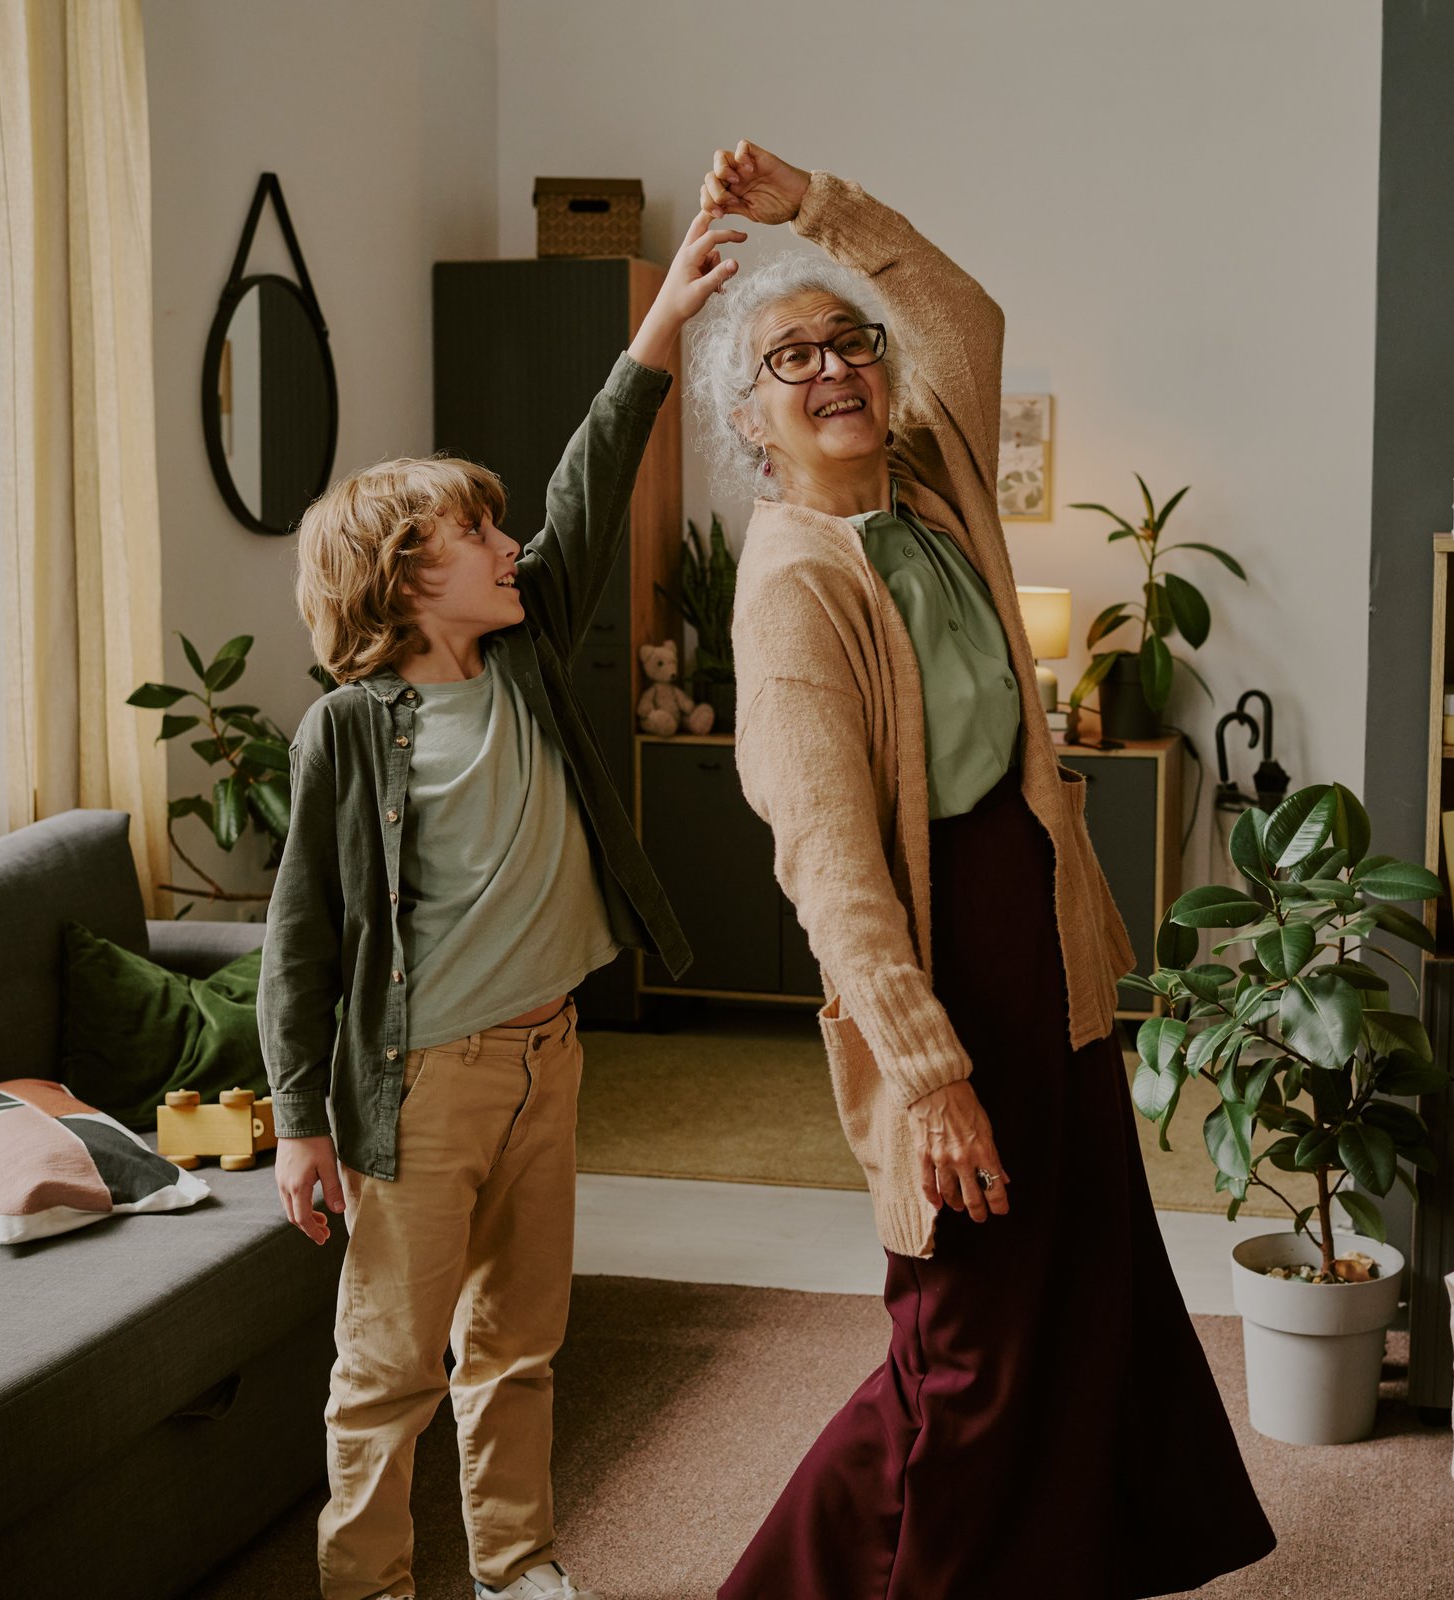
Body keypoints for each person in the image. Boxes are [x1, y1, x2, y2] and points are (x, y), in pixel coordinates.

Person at [689, 141, 1276, 1598]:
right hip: (941, 967)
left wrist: (817, 212)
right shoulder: (794, 585)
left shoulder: (932, 487)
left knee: (1080, 1289)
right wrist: (925, 1069)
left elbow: (964, 315)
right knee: (967, 1340)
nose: (832, 371)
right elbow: (831, 869)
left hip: (1039, 936)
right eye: (788, 359)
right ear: (751, 424)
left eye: (846, 345)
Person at [257, 212, 739, 1600]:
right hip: (421, 1083)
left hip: (548, 1053)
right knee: (391, 1367)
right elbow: (299, 941)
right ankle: (372, 1589)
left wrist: (663, 324)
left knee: (521, 1347)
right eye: (478, 534)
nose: (512, 544)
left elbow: (591, 482)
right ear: (408, 576)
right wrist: (300, 1122)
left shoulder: (524, 658)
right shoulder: (351, 732)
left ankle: (518, 1569)